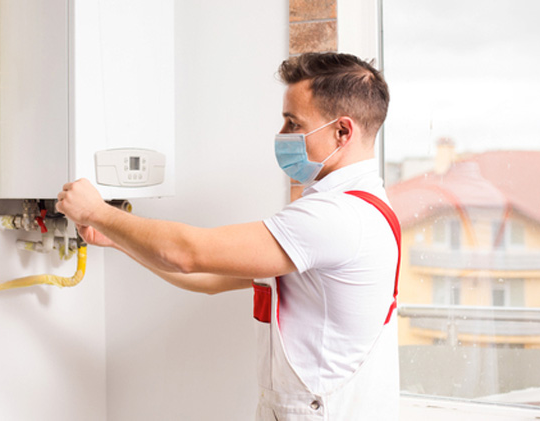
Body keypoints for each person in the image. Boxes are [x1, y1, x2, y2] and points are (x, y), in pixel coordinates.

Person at [56, 52, 400, 420]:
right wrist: (117, 238)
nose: (281, 136)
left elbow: (188, 253)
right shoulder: (357, 209)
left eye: (292, 123)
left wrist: (98, 211)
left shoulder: (335, 218)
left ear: (342, 131)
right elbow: (208, 278)